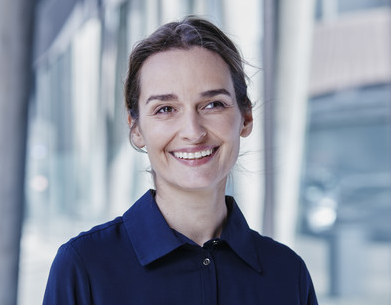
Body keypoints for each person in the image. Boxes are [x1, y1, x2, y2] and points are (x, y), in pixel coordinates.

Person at [43, 16, 318, 304]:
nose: (193, 131)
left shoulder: (288, 274)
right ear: (136, 129)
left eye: (213, 104)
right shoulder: (84, 267)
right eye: (165, 109)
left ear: (245, 118)